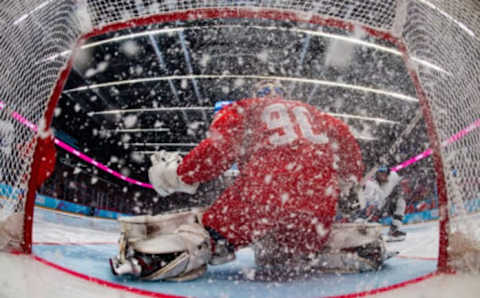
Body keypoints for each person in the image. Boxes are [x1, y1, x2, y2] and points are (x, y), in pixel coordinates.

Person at [110, 81, 391, 280]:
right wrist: (346, 184)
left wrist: (179, 175)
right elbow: (350, 151)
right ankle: (357, 247)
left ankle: (152, 259)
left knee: (209, 236)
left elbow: (217, 151)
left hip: (265, 190)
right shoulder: (320, 116)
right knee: (287, 255)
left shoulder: (246, 108)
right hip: (319, 196)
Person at [359, 165, 407, 241]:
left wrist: (397, 194)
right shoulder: (371, 184)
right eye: (381, 173)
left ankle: (394, 230)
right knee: (372, 212)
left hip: (390, 199)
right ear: (376, 174)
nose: (383, 175)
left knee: (401, 203)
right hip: (378, 204)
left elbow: (399, 186)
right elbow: (368, 200)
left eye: (385, 173)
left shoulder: (393, 176)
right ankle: (369, 232)